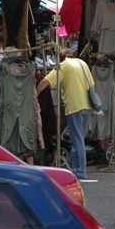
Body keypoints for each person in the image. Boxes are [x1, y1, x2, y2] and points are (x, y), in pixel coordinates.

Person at [36, 48, 94, 180]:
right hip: (87, 106)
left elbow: (45, 81)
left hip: (75, 106)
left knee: (77, 140)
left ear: (60, 58)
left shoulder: (63, 66)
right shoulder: (82, 63)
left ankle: (80, 171)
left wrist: (35, 94)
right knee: (79, 140)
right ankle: (74, 170)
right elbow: (91, 84)